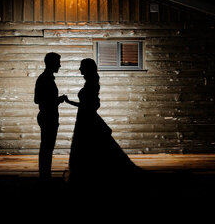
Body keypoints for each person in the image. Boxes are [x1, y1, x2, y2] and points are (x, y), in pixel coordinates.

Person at [64, 58, 140, 187]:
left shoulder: (91, 84)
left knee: (88, 146)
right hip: (85, 117)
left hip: (87, 119)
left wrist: (75, 104)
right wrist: (69, 102)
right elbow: (88, 104)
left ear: (87, 68)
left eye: (82, 66)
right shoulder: (90, 82)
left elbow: (92, 105)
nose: (79, 69)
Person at [34, 52, 66, 181]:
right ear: (51, 63)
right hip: (48, 117)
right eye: (58, 62)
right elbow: (38, 100)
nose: (59, 65)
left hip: (49, 116)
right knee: (47, 147)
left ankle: (45, 174)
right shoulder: (44, 79)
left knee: (47, 147)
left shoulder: (47, 78)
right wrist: (57, 100)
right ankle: (45, 176)